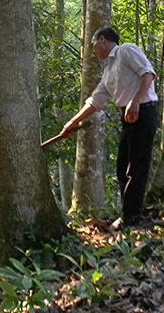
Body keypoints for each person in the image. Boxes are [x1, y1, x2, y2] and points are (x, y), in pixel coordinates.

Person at [60, 26, 158, 229]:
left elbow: (148, 74)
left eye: (93, 45)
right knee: (122, 167)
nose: (93, 50)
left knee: (137, 167)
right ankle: (127, 213)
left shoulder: (126, 50)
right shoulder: (108, 71)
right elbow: (95, 101)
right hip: (128, 116)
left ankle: (132, 218)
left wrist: (136, 101)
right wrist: (72, 123)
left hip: (143, 112)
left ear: (102, 39)